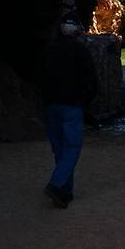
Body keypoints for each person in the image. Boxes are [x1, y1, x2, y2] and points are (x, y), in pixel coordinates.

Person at [40, 13, 98, 208]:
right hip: (71, 106)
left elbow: (39, 77)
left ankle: (66, 193)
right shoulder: (80, 50)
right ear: (77, 30)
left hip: (50, 107)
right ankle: (56, 185)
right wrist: (87, 104)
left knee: (60, 150)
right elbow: (92, 80)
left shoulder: (48, 50)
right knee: (72, 148)